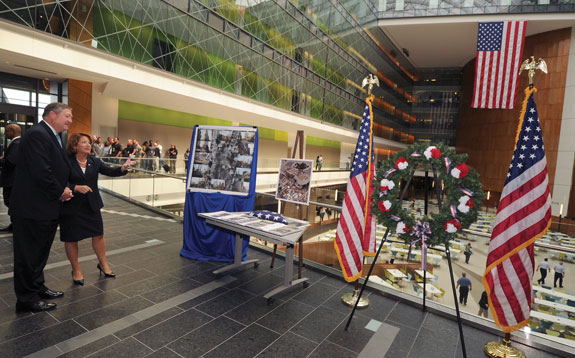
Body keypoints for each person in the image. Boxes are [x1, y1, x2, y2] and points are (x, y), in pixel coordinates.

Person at [10, 102, 74, 312]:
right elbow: (41, 171)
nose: (70, 120)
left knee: (39, 252)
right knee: (28, 254)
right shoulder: (38, 134)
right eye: (67, 115)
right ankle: (26, 298)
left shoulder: (51, 135)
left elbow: (57, 167)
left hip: (44, 207)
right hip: (32, 208)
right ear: (52, 115)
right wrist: (60, 191)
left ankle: (37, 287)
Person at [60, 133, 136, 285]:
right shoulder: (65, 162)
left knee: (98, 235)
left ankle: (104, 264)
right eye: (84, 142)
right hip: (70, 205)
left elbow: (110, 171)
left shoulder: (94, 161)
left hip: (91, 205)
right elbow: (57, 182)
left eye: (89, 142)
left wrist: (123, 167)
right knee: (71, 238)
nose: (88, 145)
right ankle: (76, 270)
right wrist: (75, 187)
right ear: (75, 146)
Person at [0, 123, 22, 232]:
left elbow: (11, 161)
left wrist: (1, 160)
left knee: (11, 202)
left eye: (7, 131)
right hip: (13, 180)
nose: (5, 134)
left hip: (12, 180)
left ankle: (16, 225)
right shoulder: (17, 143)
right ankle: (15, 225)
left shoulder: (17, 143)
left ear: (12, 132)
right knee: (11, 203)